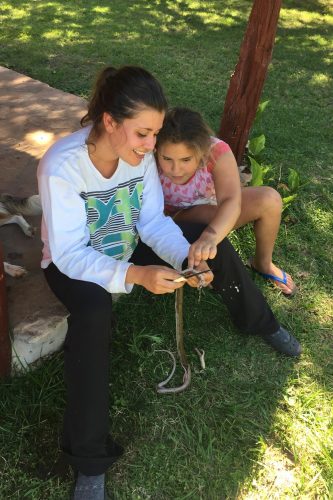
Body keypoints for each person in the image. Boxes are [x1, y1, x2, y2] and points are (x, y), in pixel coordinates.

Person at [37, 66, 301, 499]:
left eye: (155, 133)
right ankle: (88, 458)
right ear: (109, 122)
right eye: (143, 133)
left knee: (209, 246)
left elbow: (153, 221)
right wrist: (136, 275)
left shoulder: (138, 161)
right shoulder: (62, 165)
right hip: (76, 264)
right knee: (93, 313)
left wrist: (185, 257)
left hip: (126, 244)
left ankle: (260, 321)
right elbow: (68, 254)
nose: (150, 146)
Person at [156, 107, 297, 297]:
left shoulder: (217, 151)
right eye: (167, 159)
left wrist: (211, 236)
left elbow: (231, 199)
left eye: (186, 159)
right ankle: (203, 260)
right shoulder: (148, 154)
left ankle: (262, 263)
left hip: (214, 208)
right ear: (156, 148)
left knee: (270, 199)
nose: (175, 169)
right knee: (211, 215)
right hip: (172, 219)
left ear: (202, 151)